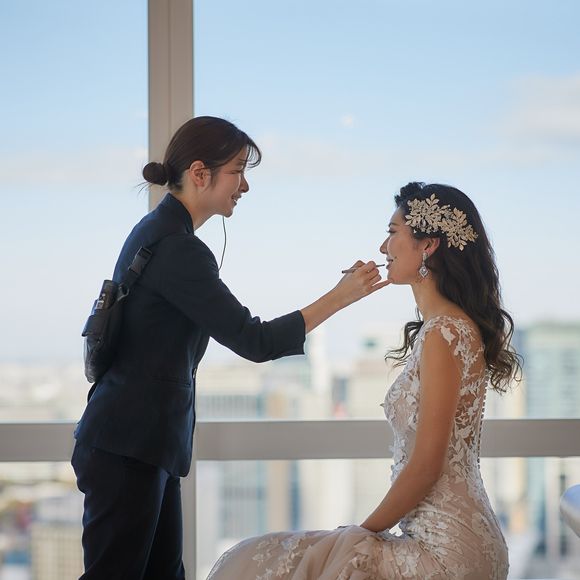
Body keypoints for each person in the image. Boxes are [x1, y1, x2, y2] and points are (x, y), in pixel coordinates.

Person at [71, 116, 389, 580]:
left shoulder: (157, 231)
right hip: (130, 447)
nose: (245, 186)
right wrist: (340, 297)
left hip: (138, 445)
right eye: (238, 171)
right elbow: (255, 341)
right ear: (200, 173)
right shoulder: (177, 249)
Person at [206, 181, 522, 580]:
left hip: (447, 552)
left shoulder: (444, 333)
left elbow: (427, 465)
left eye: (392, 232)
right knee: (254, 558)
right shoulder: (446, 329)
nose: (382, 247)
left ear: (428, 246)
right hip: (439, 538)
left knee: (254, 563)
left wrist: (358, 534)